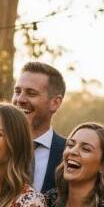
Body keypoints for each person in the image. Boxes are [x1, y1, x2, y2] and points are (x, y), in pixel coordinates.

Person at [12, 61, 67, 193]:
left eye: (31, 93)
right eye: (17, 91)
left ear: (55, 103)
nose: (20, 99)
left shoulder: (69, 154)